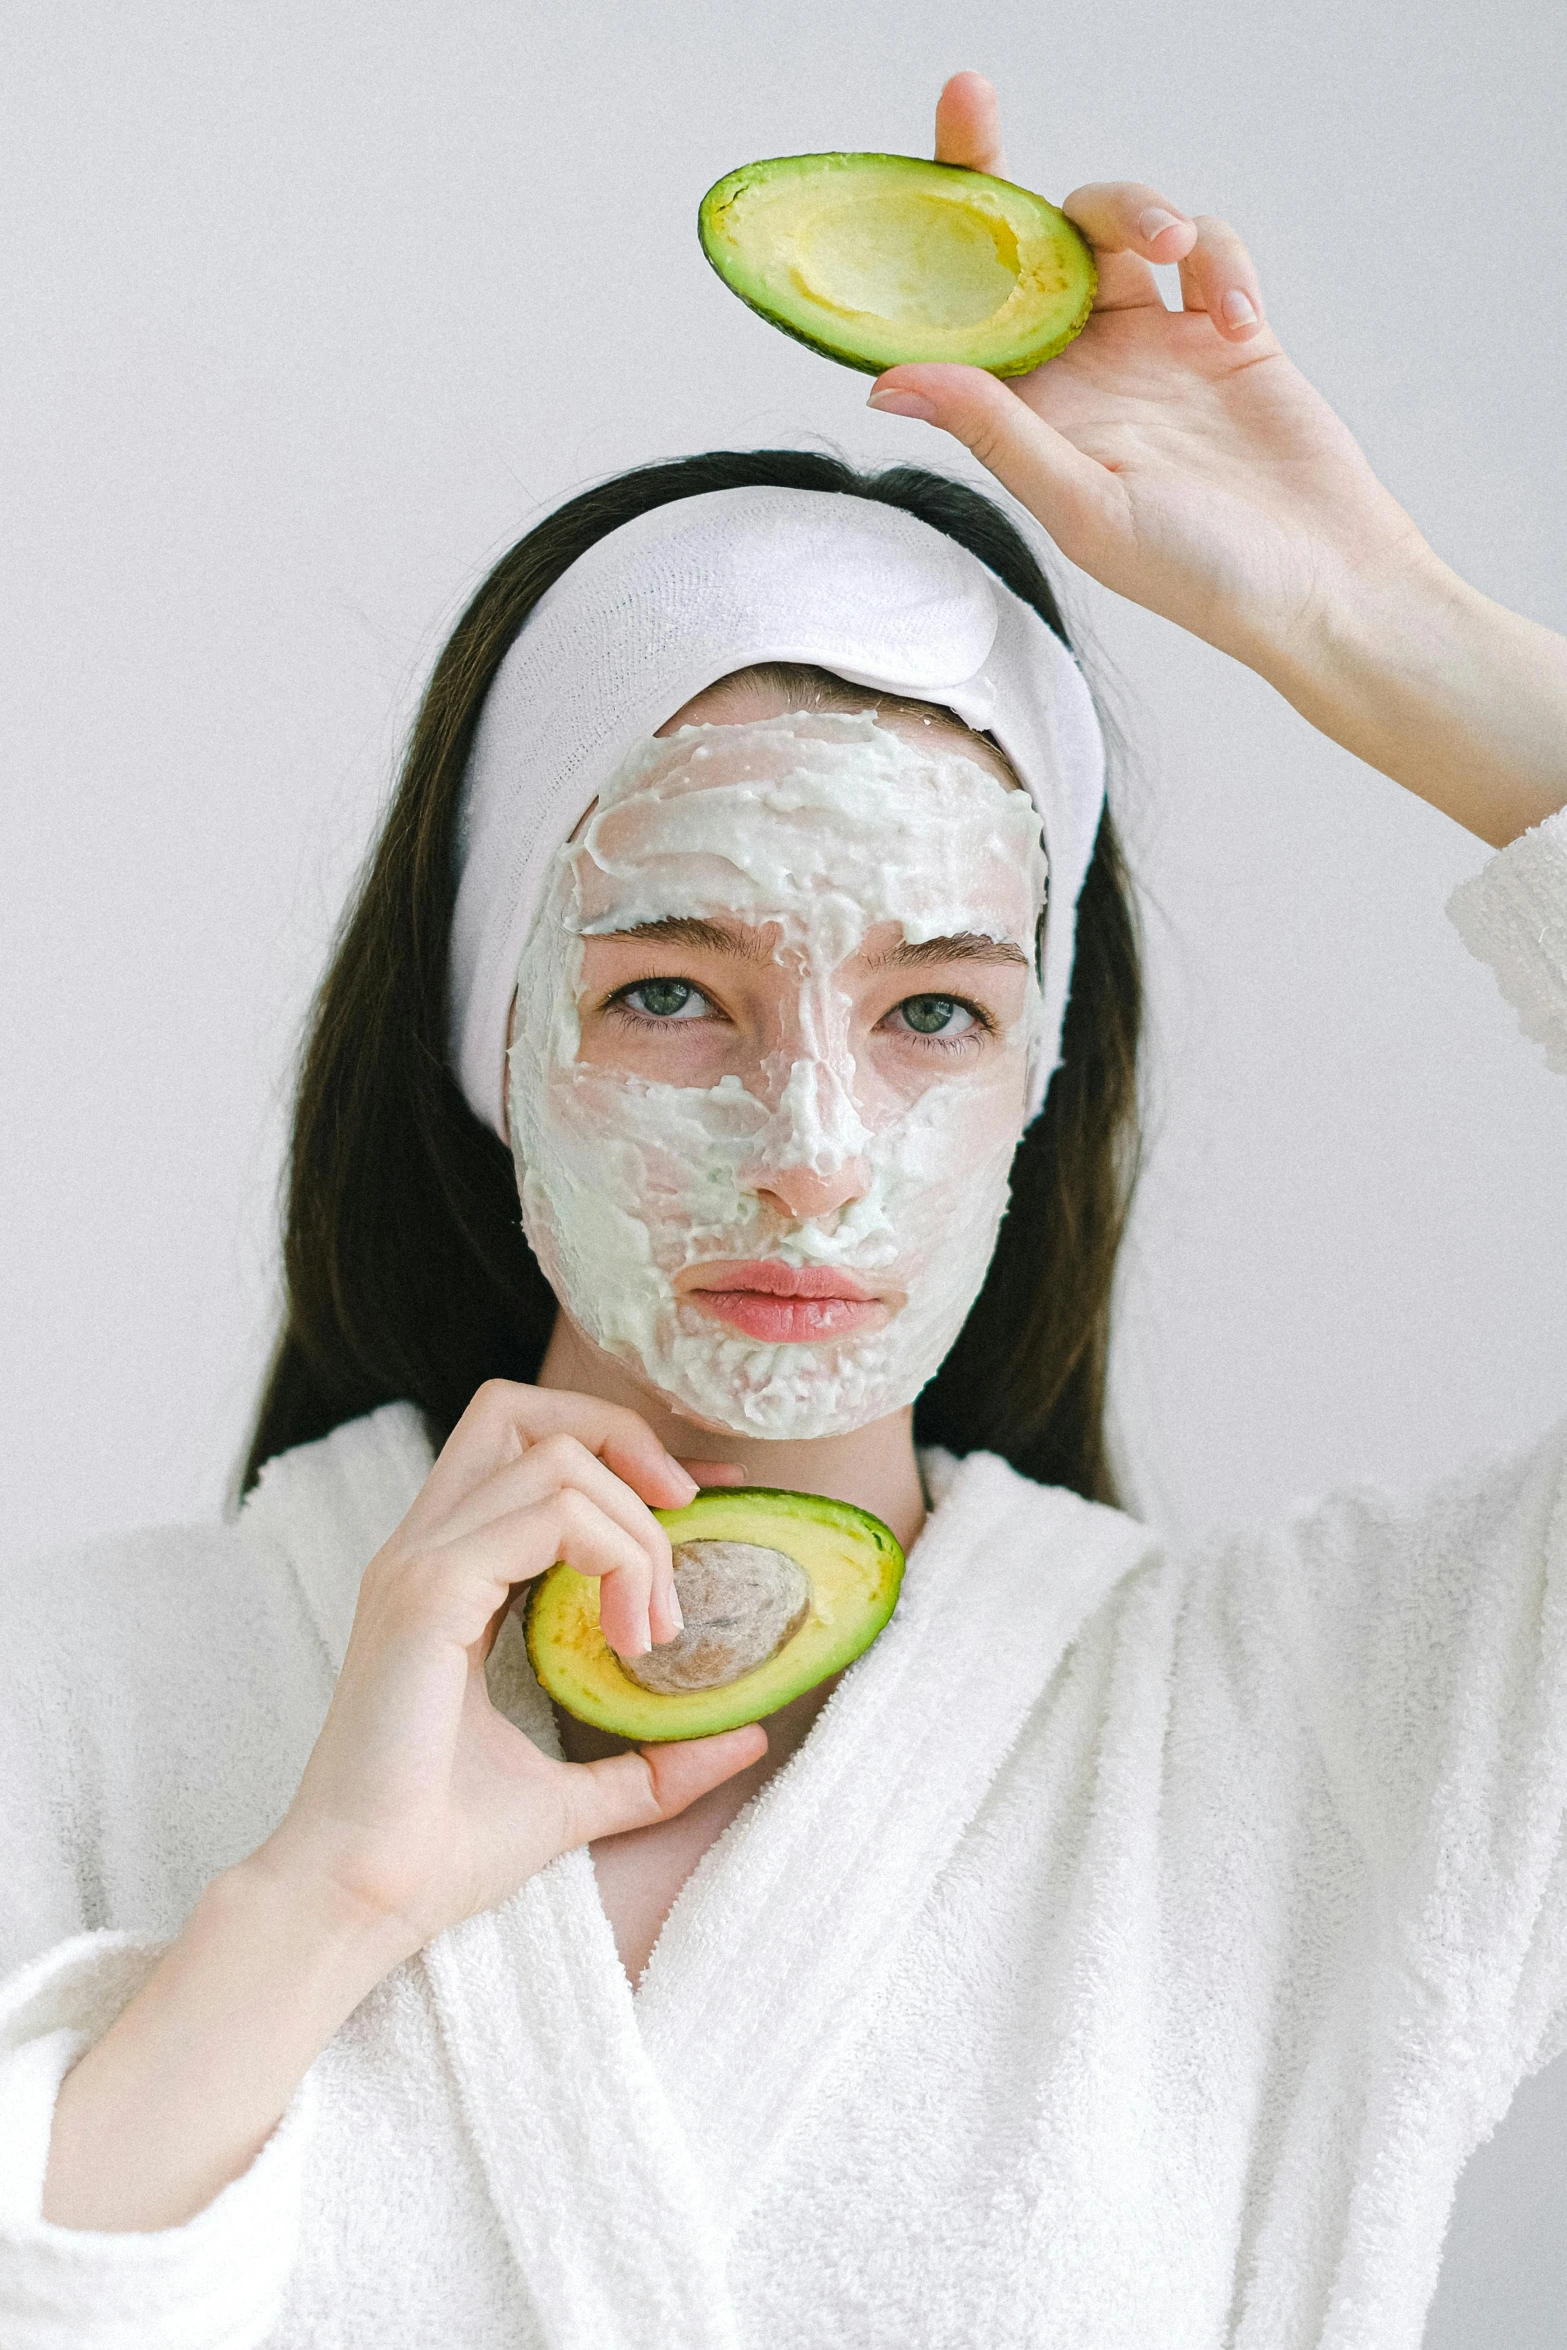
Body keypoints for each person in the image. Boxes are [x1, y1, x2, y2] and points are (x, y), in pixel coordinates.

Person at [2, 68, 1565, 2350]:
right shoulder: (81, 1699)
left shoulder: (1328, 1738)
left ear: (1042, 1076)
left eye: (934, 1011)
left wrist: (1379, 624)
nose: (813, 1143)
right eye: (671, 988)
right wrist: (313, 1902)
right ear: (486, 1035)